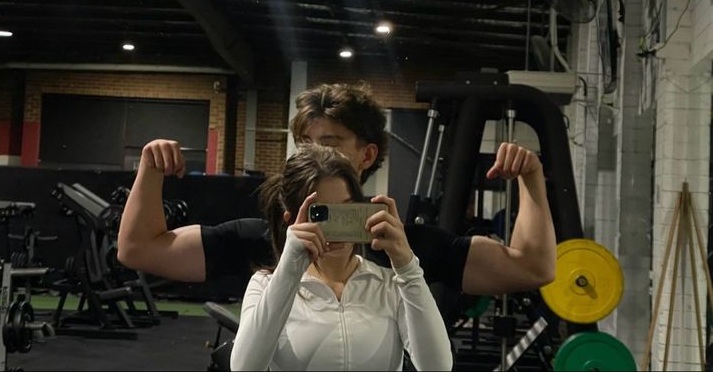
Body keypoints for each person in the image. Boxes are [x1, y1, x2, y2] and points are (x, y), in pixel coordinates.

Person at [118, 83, 556, 295]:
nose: (312, 155)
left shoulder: (401, 245)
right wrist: (149, 171)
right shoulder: (265, 238)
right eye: (304, 144)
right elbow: (139, 249)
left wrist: (533, 181)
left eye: (329, 144)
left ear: (366, 157)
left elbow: (531, 268)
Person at [229, 144, 452, 371]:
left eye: (346, 210)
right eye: (322, 213)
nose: (337, 225)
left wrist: (407, 268)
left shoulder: (389, 286)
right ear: (291, 219)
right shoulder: (266, 286)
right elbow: (244, 368)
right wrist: (289, 269)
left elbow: (438, 367)